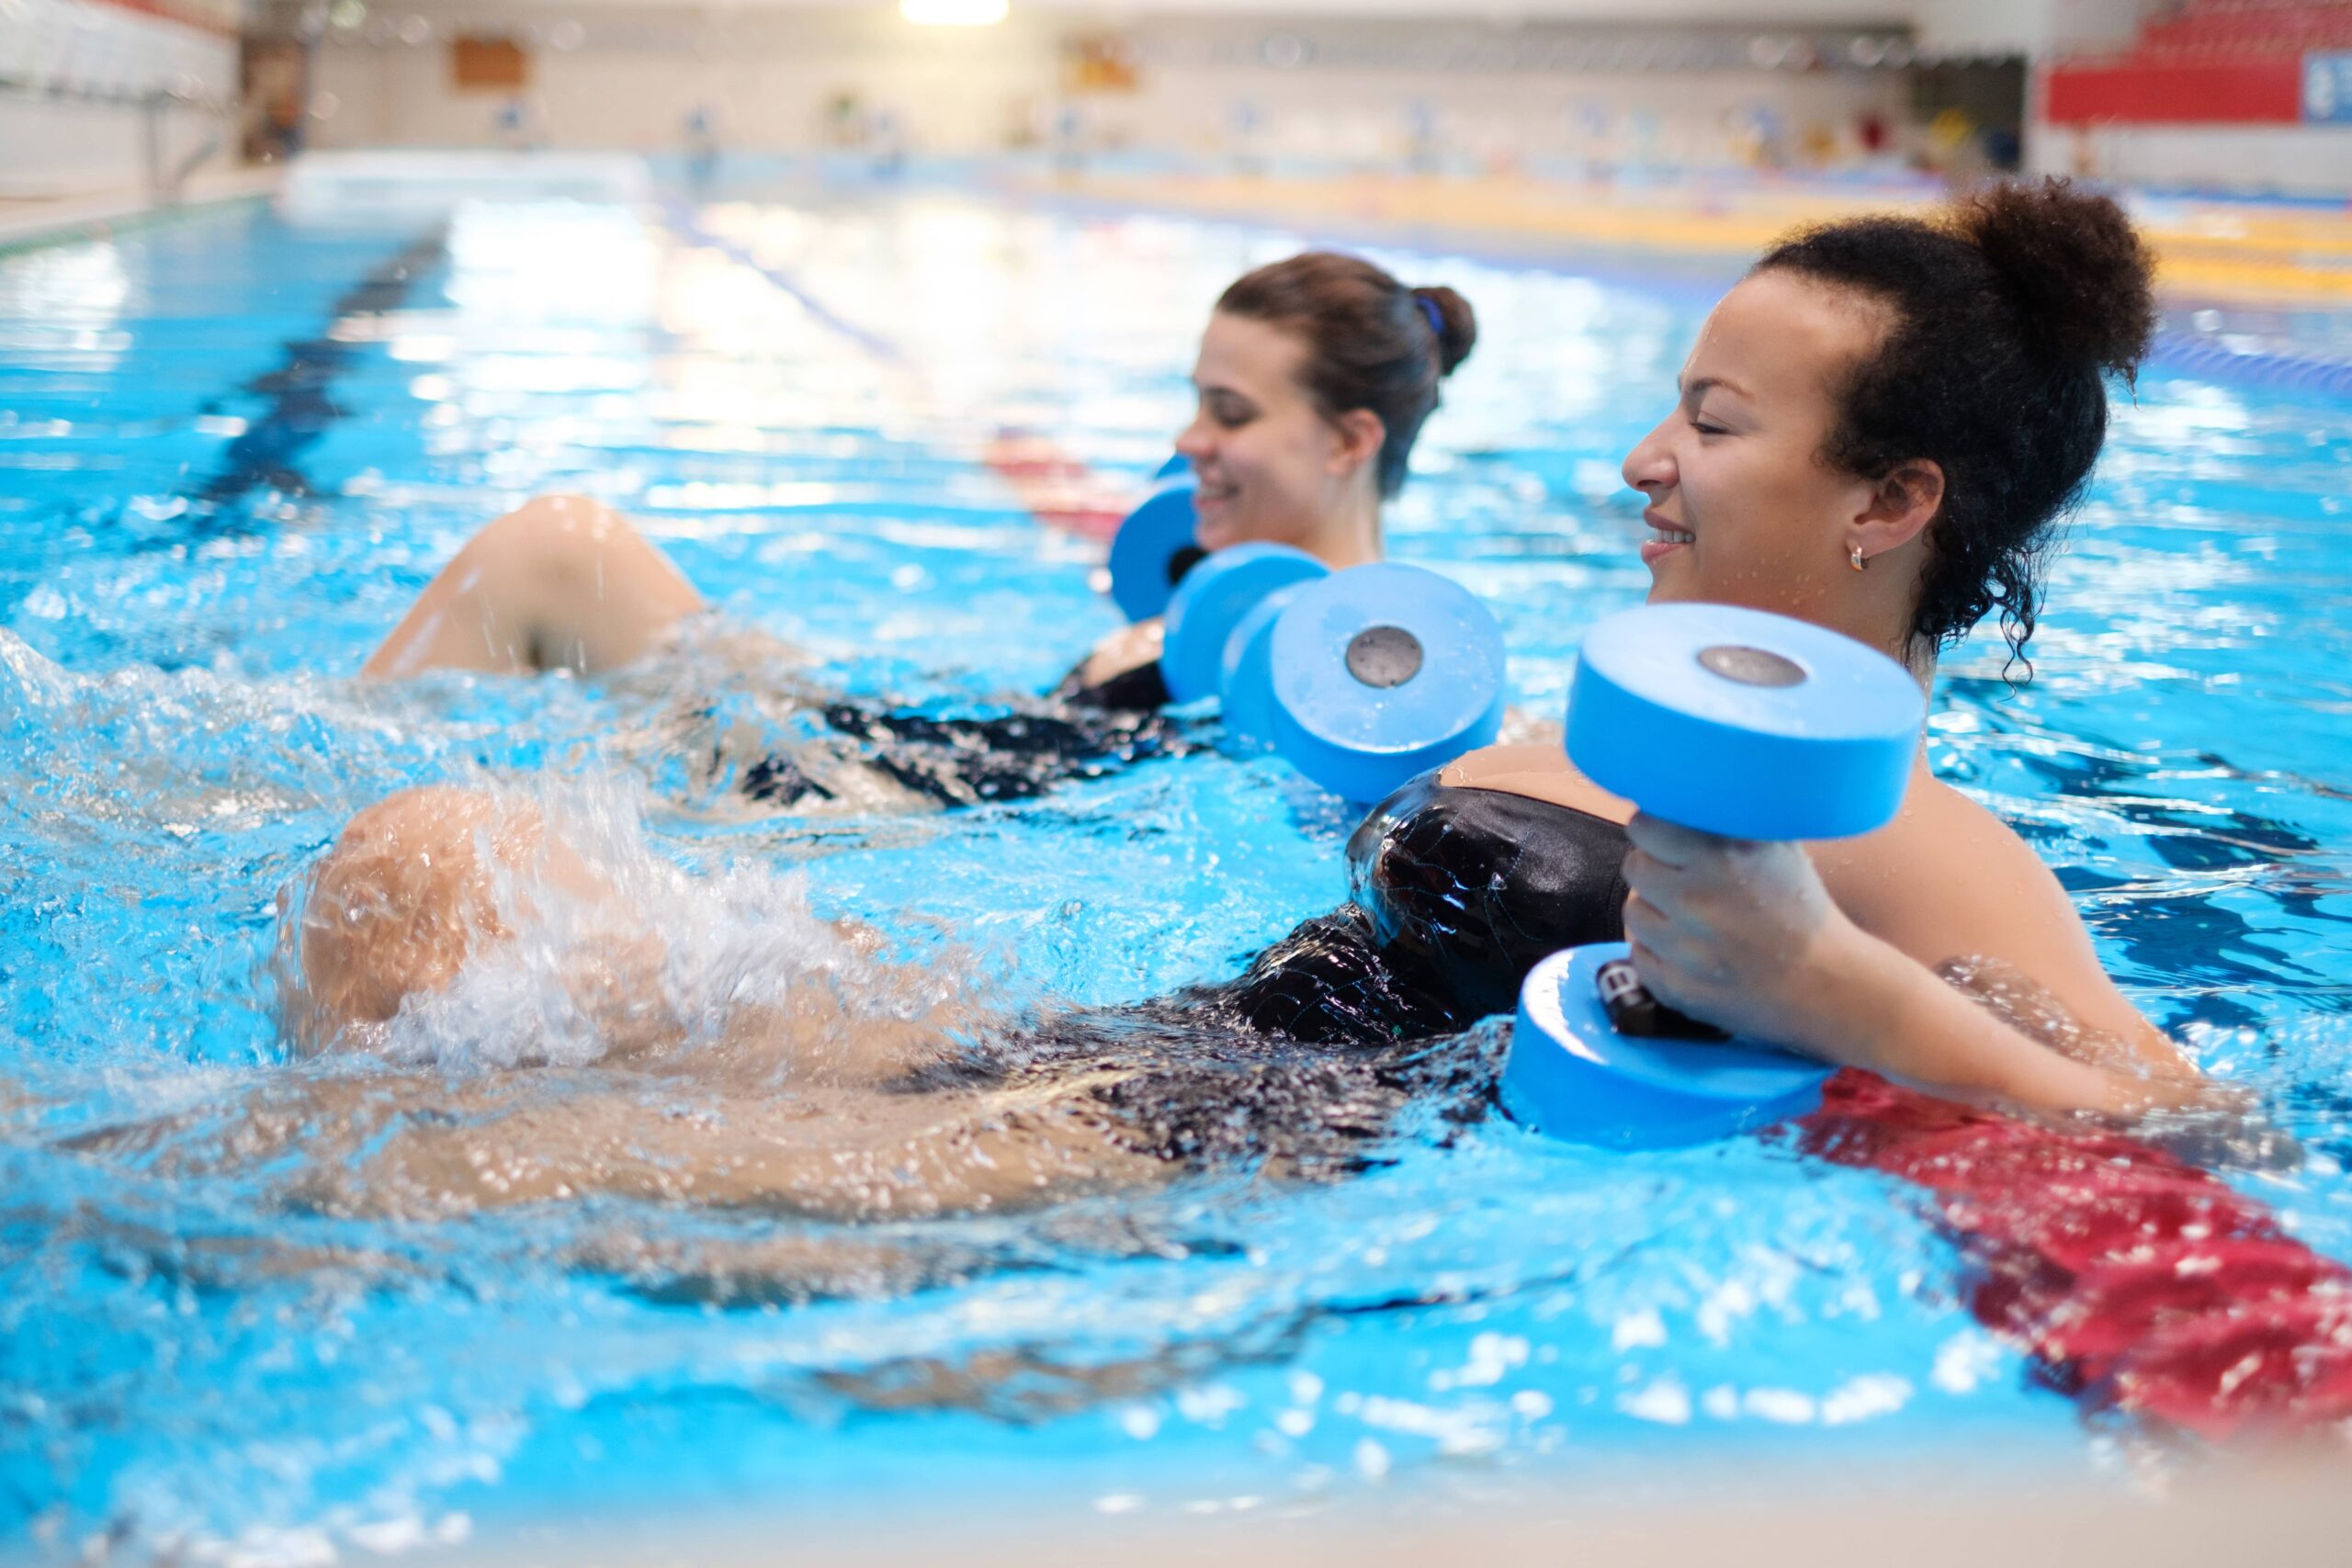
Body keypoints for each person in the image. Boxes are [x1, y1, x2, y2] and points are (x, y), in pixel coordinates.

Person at [92, 180, 2207, 1237]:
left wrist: (1833, 981)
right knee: (417, 870)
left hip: (1208, 1165)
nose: (1636, 464)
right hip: (1131, 1035)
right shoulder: (1571, 691)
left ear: (1889, 501)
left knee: (399, 1175)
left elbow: (2195, 1127)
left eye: (1712, 423)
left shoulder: (1919, 840)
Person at [363, 252, 1478, 718]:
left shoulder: (1364, 679)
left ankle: (269, 811)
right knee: (558, 549)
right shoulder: (1222, 609)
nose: (1187, 440)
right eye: (1195, 402)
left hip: (881, 821)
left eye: (1230, 414)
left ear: (1347, 441)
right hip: (899, 755)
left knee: (558, 549)